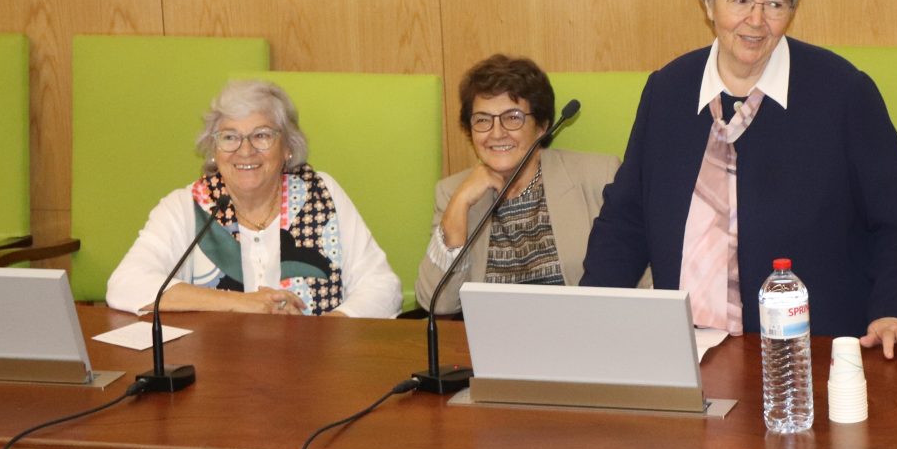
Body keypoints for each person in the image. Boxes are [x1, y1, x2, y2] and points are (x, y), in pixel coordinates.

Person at [581, 0, 897, 361]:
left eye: (774, 4)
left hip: (810, 352)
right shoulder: (668, 90)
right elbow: (626, 219)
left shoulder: (842, 92)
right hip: (684, 349)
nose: (756, 20)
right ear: (708, 3)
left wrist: (895, 311)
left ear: (792, 11)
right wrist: (591, 312)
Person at [106, 79, 402, 318]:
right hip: (214, 366)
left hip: (314, 362)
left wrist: (322, 332)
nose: (245, 151)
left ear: (287, 147)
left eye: (261, 135)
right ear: (213, 150)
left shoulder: (322, 195)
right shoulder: (186, 207)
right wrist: (244, 304)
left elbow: (383, 287)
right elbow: (125, 285)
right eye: (230, 137)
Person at [416, 55, 623, 314]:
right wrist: (460, 204)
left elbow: (643, 277)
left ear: (541, 126)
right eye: (483, 119)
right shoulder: (452, 192)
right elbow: (437, 304)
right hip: (492, 335)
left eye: (513, 117)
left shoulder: (599, 176)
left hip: (583, 328)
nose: (496, 133)